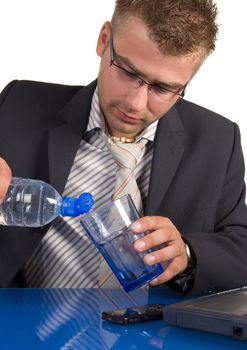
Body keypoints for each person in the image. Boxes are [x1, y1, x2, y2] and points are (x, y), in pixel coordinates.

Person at [0, 0, 247, 294]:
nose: (136, 103)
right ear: (104, 40)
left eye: (163, 89)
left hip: (156, 337)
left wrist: (188, 254)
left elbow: (241, 248)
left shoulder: (218, 140)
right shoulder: (17, 105)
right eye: (128, 72)